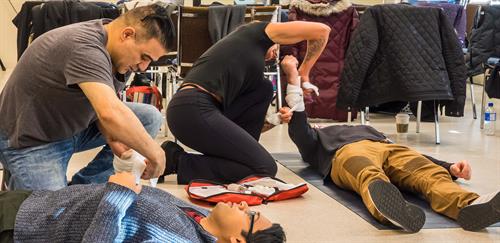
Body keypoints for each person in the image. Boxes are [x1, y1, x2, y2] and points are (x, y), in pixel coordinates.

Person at [277, 55, 500, 233]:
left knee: (428, 173)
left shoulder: (367, 128)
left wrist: (448, 166)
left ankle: (470, 206)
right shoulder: (316, 141)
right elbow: (298, 127)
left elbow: (419, 158)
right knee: (368, 174)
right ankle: (393, 211)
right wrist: (293, 79)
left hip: (387, 146)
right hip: (346, 152)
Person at [0, 4, 174, 190]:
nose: (143, 67)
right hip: (31, 140)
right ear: (127, 34)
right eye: (144, 57)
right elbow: (109, 112)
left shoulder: (118, 50)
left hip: (70, 125)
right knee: (52, 216)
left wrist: (112, 136)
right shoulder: (83, 46)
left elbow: (100, 105)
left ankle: (81, 190)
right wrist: (157, 154)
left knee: (149, 117)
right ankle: (59, 195)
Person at [162, 20, 331, 184]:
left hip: (195, 112)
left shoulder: (247, 66)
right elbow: (322, 30)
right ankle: (175, 161)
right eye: (277, 47)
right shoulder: (258, 31)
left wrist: (275, 120)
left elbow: (238, 128)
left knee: (263, 90)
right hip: (192, 108)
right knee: (264, 168)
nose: (276, 53)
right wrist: (304, 72)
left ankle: (175, 159)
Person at [0, 172, 286, 243]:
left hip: (24, 226)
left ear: (237, 240)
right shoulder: (201, 219)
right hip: (40, 204)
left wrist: (118, 196)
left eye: (249, 215)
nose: (242, 205)